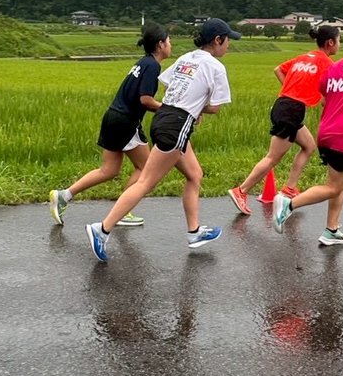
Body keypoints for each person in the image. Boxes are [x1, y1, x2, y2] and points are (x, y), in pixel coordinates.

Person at [86, 18, 240, 263]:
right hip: (176, 126)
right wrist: (198, 108)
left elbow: (173, 86)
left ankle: (194, 232)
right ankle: (102, 229)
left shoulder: (185, 58)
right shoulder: (216, 67)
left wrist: (192, 106)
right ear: (218, 40)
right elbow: (215, 107)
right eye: (228, 39)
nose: (229, 45)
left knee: (194, 174)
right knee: (145, 182)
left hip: (164, 118)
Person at [49, 24, 171, 228]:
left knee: (108, 169)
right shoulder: (152, 66)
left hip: (113, 116)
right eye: (169, 41)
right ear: (160, 44)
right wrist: (168, 110)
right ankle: (124, 211)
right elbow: (146, 100)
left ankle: (64, 195)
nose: (171, 45)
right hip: (126, 121)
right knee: (146, 168)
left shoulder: (142, 63)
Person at [273, 24, 343, 245]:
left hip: (326, 132)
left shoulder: (334, 67)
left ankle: (331, 229)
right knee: (335, 186)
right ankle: (289, 204)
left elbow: (323, 90)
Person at [226, 24, 340, 216]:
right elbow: (330, 93)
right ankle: (241, 191)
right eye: (339, 40)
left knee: (309, 146)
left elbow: (278, 69)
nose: (339, 44)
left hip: (285, 106)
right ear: (330, 43)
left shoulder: (304, 57)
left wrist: (291, 91)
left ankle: (290, 189)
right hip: (291, 111)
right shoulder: (327, 63)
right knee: (273, 157)